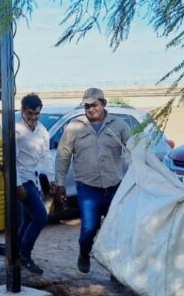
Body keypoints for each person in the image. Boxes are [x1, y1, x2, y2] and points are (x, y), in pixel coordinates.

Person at [54, 88, 131, 273]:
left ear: (103, 104)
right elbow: (63, 155)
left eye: (94, 105)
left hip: (114, 186)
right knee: (89, 228)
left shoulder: (119, 126)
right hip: (88, 188)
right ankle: (84, 252)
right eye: (87, 106)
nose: (90, 109)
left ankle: (116, 269)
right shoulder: (74, 127)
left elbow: (133, 151)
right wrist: (60, 182)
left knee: (116, 230)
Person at [15, 93, 52, 275]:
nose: (33, 118)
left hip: (33, 178)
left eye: (36, 114)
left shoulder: (42, 131)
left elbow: (46, 156)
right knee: (41, 217)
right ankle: (24, 255)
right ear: (23, 111)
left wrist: (52, 180)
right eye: (29, 114)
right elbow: (10, 159)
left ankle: (15, 253)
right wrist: (17, 185)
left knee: (29, 219)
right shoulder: (16, 130)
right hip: (22, 180)